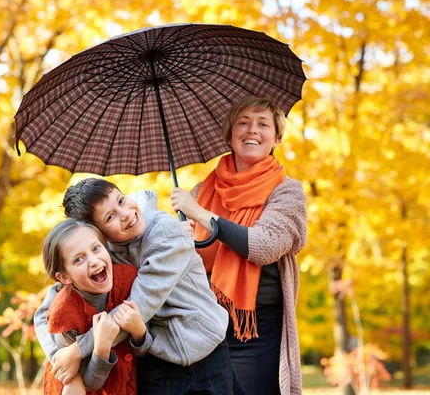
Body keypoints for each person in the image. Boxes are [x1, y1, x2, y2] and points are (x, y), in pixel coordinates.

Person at [35, 178, 232, 394]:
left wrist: (77, 351)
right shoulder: (101, 251)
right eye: (110, 217)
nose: (126, 214)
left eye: (121, 201)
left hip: (206, 347)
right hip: (155, 354)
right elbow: (45, 311)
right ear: (99, 233)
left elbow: (139, 305)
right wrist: (59, 358)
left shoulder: (165, 232)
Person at [170, 96, 308, 395]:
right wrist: (178, 236)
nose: (252, 130)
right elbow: (184, 260)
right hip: (204, 323)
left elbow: (264, 246)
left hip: (256, 329)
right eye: (243, 123)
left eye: (263, 124)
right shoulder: (202, 190)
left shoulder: (288, 192)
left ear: (277, 137)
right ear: (230, 135)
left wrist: (201, 215)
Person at [41, 219, 148, 395]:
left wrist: (139, 332)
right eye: (79, 259)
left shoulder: (129, 279)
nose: (94, 261)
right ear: (65, 277)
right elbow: (90, 383)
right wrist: (101, 348)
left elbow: (143, 349)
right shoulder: (63, 314)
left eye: (96, 248)